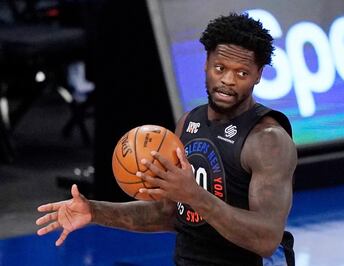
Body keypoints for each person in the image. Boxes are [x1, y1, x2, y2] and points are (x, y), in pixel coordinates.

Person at [36, 12, 298, 266]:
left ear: (259, 75)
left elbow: (266, 239)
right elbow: (168, 213)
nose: (228, 80)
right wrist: (94, 211)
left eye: (242, 73)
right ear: (206, 63)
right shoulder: (189, 122)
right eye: (220, 68)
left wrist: (194, 195)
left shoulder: (268, 141)